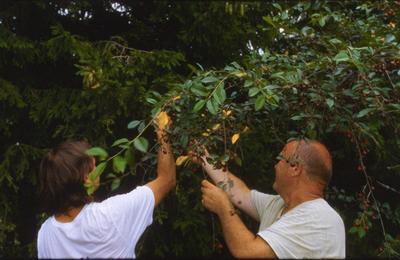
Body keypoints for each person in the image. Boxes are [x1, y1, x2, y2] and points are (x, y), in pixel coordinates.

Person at [37, 113, 175, 258]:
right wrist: (162, 132)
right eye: (95, 166)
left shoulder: (46, 234)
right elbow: (167, 179)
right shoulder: (111, 215)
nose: (99, 170)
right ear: (85, 179)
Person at [197, 139, 345, 258]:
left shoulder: (318, 219)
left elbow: (248, 251)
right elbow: (240, 193)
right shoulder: (279, 204)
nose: (275, 166)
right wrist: (204, 157)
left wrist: (224, 208)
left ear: (295, 169)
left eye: (280, 159)